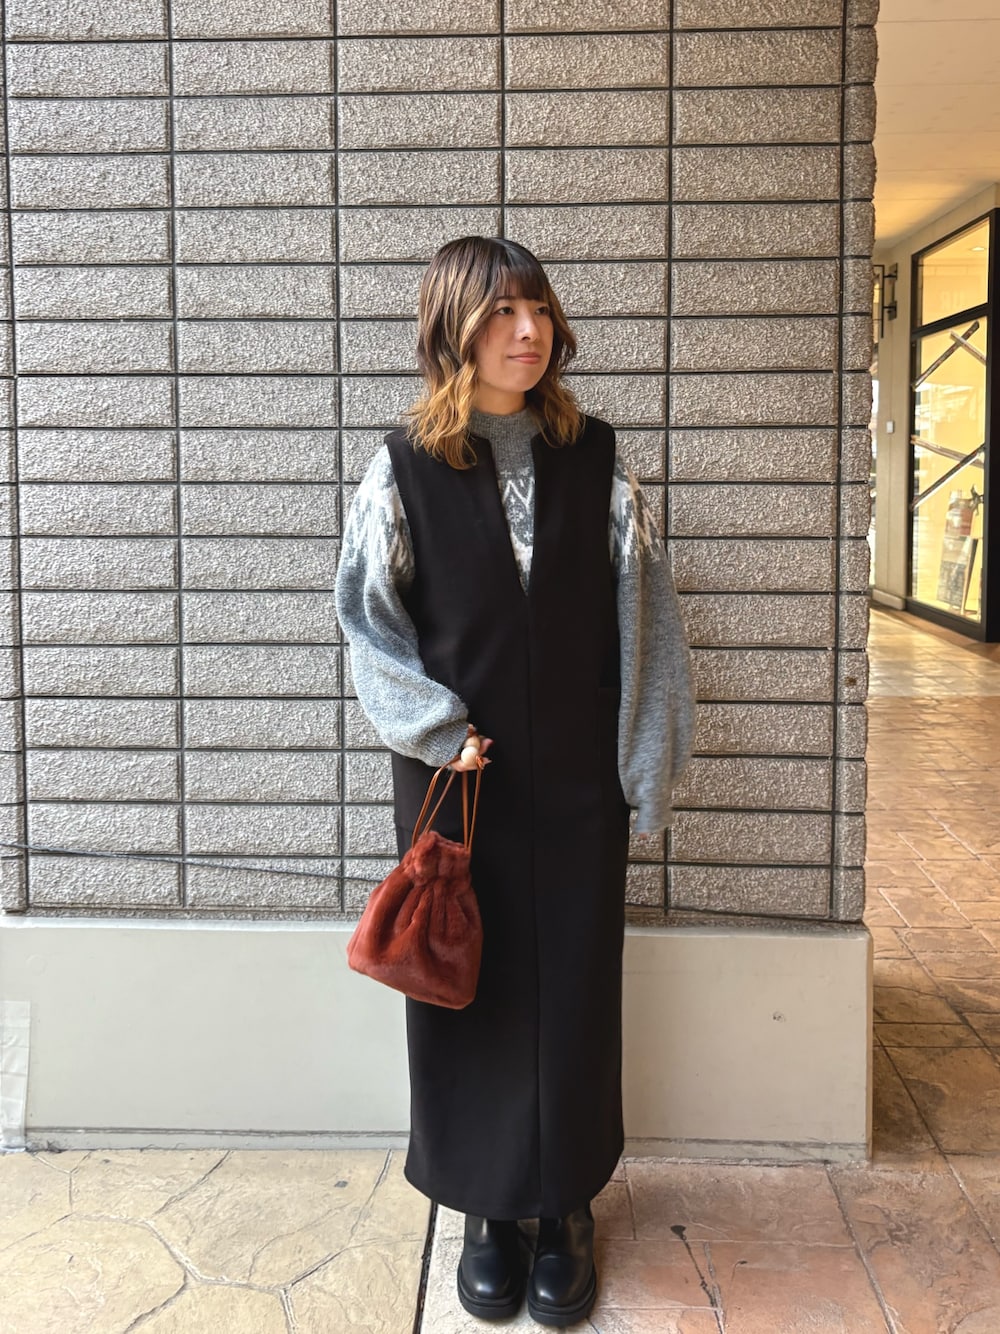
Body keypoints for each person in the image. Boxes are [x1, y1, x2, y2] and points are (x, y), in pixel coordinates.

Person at [334, 236, 694, 1327]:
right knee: (465, 982)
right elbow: (367, 622)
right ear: (453, 329)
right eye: (500, 314)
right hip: (458, 785)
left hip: (581, 782)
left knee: (576, 987)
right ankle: (486, 1209)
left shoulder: (598, 459)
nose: (527, 332)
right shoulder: (402, 468)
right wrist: (435, 729)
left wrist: (645, 763)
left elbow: (647, 621)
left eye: (537, 309)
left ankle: (566, 1202)